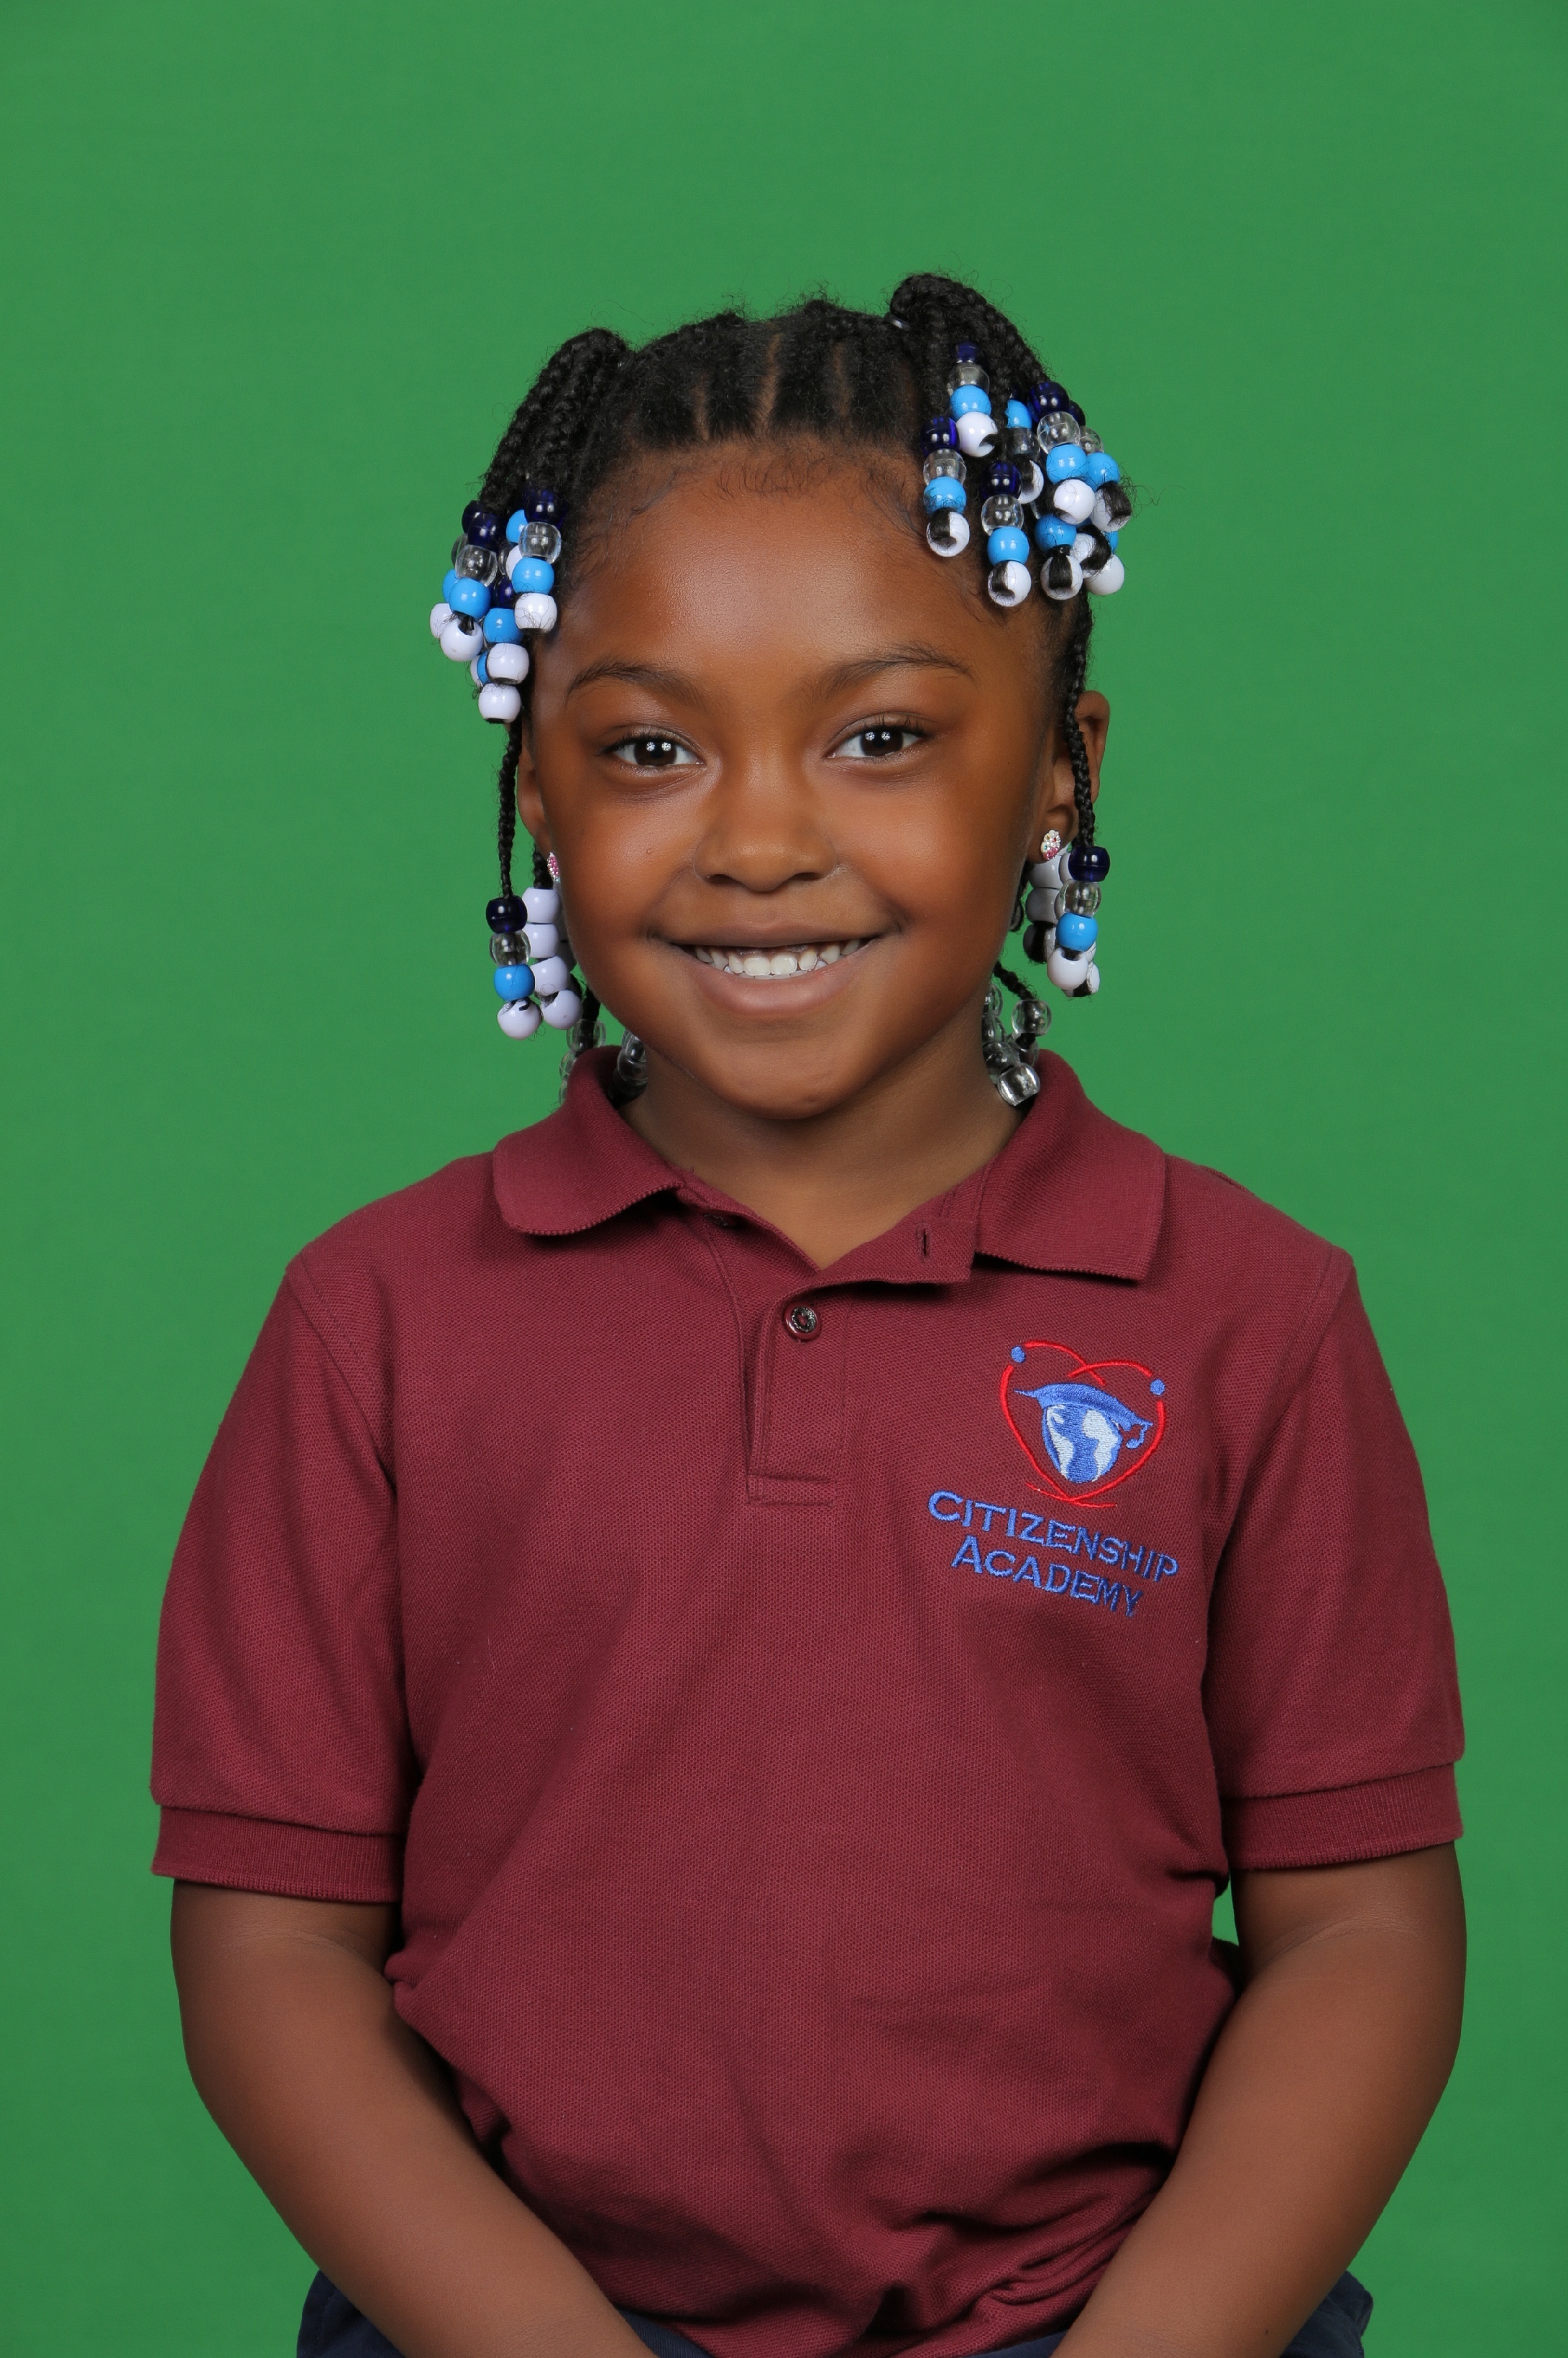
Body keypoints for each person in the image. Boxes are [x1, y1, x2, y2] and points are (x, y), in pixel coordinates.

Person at [152, 279, 1465, 2358]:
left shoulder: (1252, 1320)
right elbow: (271, 1958)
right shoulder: (371, 1331)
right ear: (535, 797)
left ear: (1060, 773)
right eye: (650, 748)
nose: (761, 841)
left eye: (880, 737)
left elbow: (1362, 1935)